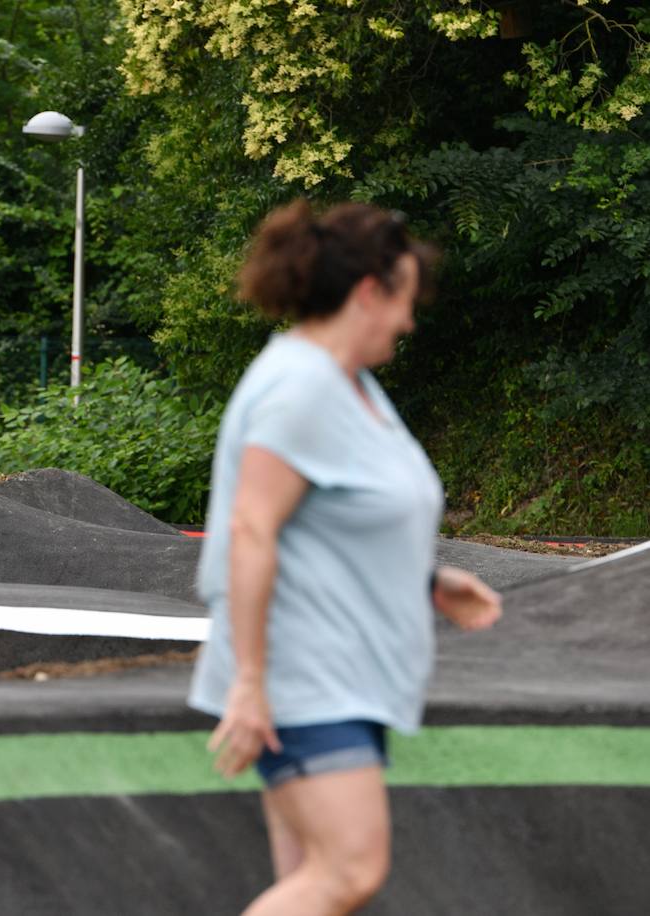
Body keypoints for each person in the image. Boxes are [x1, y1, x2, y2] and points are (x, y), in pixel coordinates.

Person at [188, 200, 503, 915]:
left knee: (315, 880)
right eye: (406, 302)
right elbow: (252, 529)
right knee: (349, 870)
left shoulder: (350, 386)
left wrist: (425, 581)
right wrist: (251, 682)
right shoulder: (299, 388)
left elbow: (337, 520)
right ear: (369, 292)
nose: (410, 321)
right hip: (303, 677)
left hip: (341, 673)